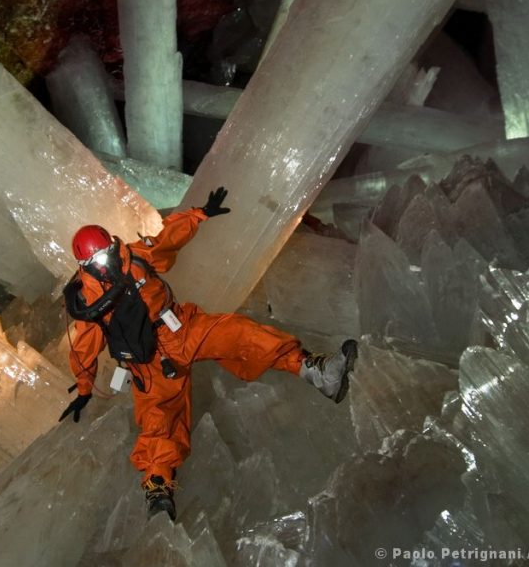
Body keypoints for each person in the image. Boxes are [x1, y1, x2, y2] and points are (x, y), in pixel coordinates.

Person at [58, 187, 357, 521]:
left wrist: (198, 214)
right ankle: (158, 487)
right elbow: (84, 347)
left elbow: (167, 239)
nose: (108, 259)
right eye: (99, 258)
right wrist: (84, 389)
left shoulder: (134, 257)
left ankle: (315, 371)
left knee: (242, 333)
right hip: (148, 363)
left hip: (180, 327)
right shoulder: (88, 302)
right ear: (85, 264)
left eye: (109, 250)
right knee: (159, 420)